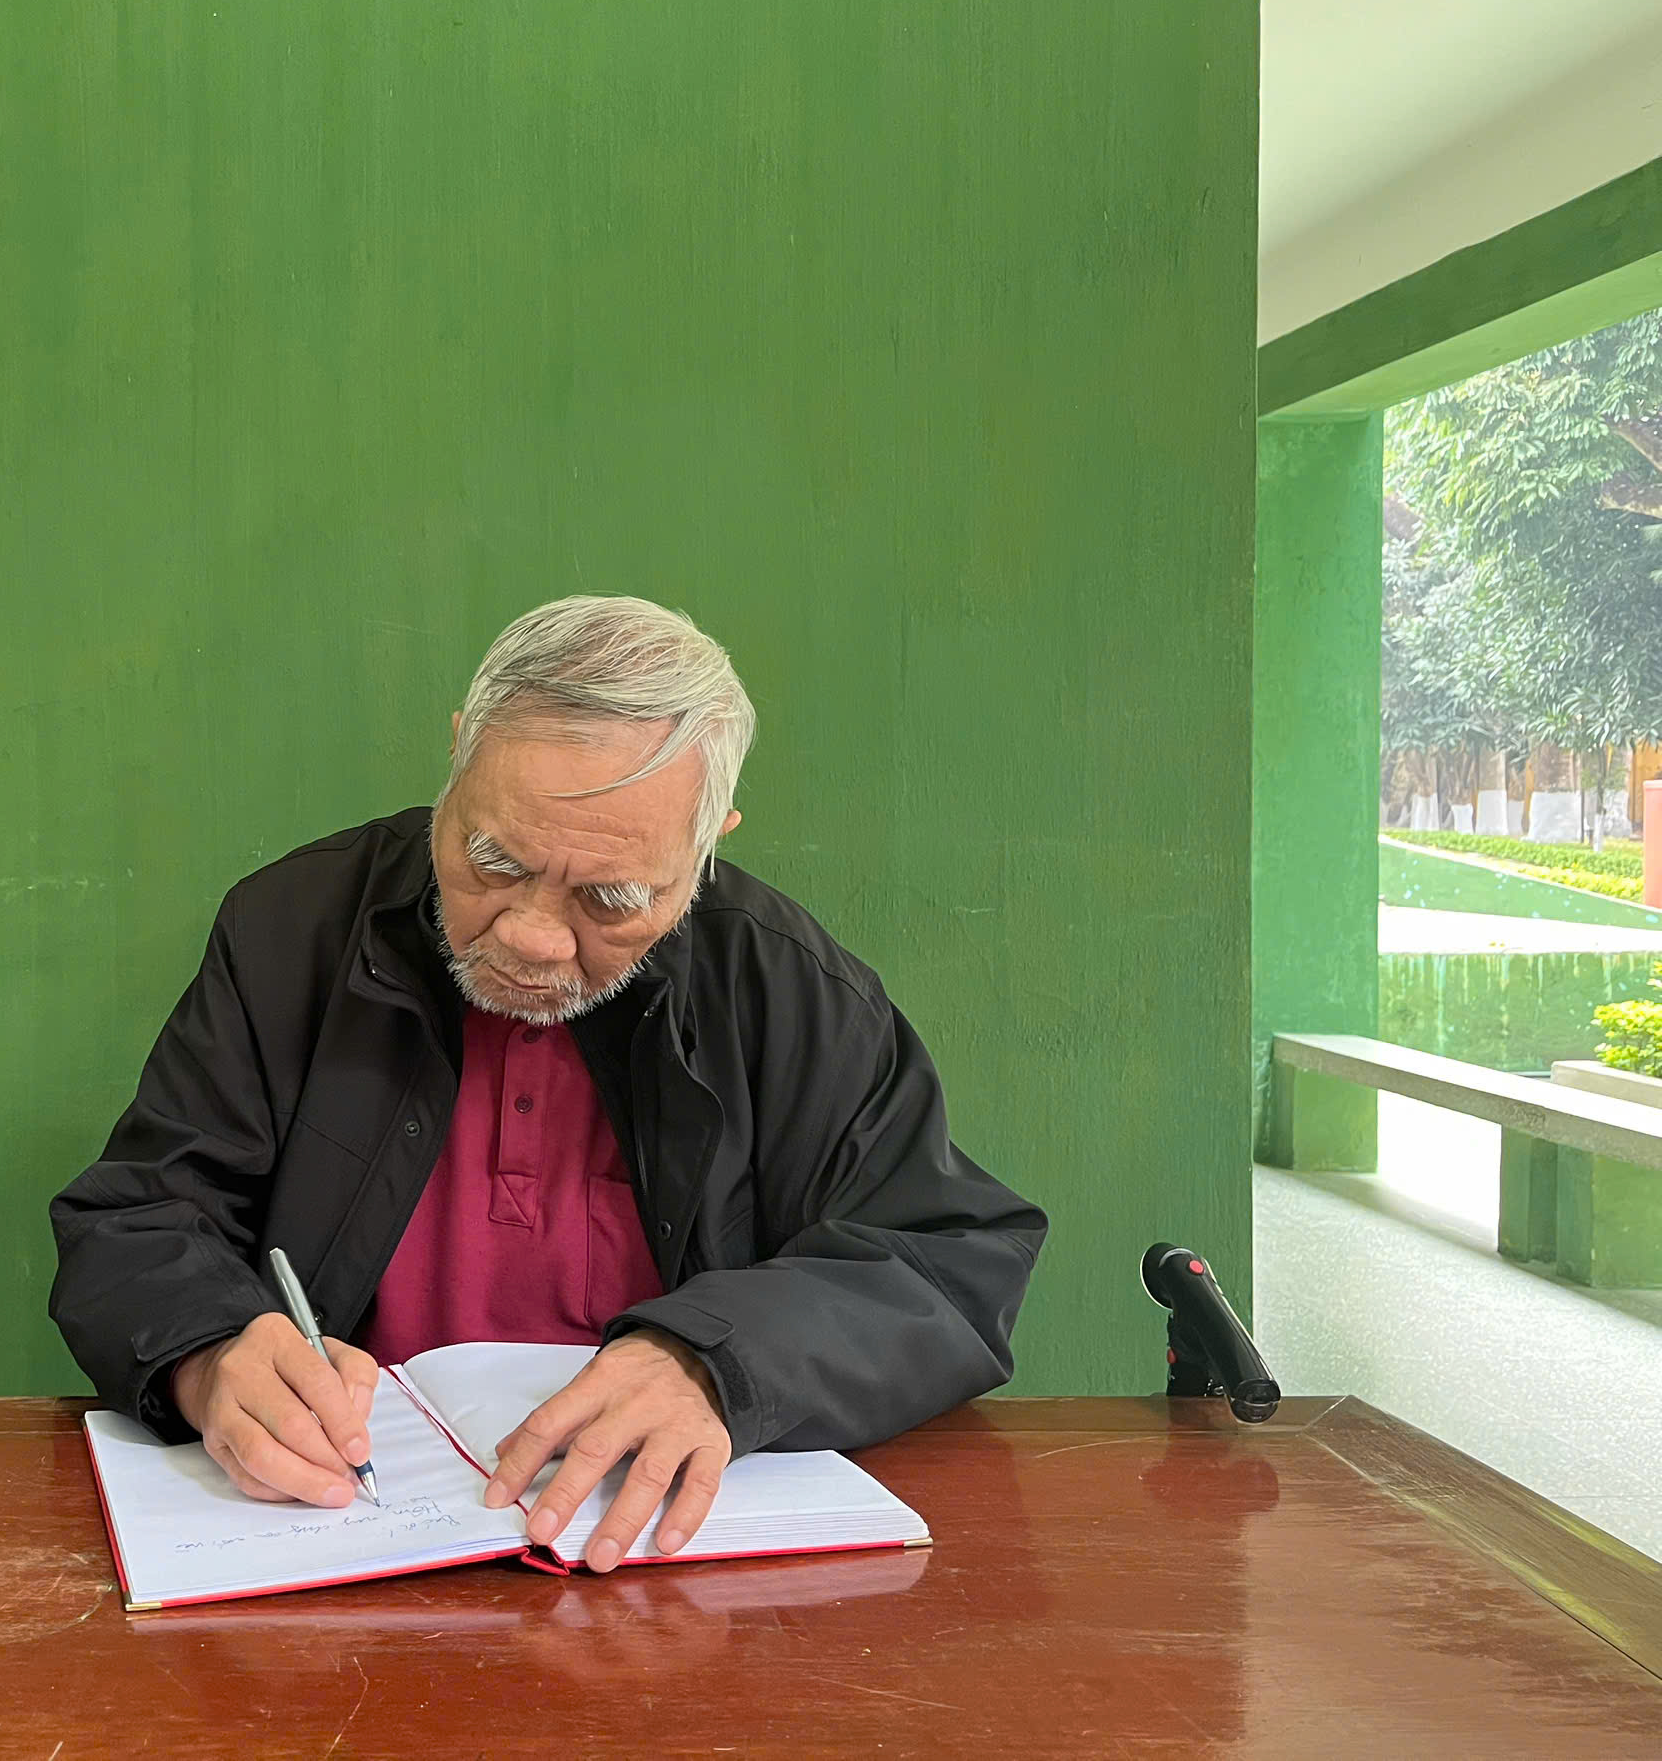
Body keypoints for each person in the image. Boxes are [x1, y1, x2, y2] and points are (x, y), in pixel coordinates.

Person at [50, 596, 1044, 1571]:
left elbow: (947, 1264)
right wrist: (210, 1352)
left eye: (610, 898)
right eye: (492, 860)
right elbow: (138, 1216)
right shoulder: (295, 930)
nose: (530, 937)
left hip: (656, 1566)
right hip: (351, 1540)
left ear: (706, 843)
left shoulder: (780, 986)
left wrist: (717, 1362)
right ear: (459, 755)